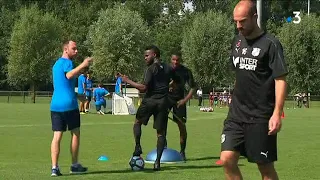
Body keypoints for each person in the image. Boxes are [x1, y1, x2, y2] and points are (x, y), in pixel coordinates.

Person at [219, 1, 288, 180]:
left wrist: (277, 113)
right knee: (227, 160)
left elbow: (280, 79)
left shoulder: (271, 44)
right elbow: (239, 76)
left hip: (260, 117)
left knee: (265, 168)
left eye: (242, 21)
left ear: (254, 17)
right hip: (236, 116)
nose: (238, 26)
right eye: (235, 21)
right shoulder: (237, 42)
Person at [121, 45, 172, 171]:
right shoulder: (167, 68)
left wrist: (127, 80)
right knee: (161, 133)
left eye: (146, 55)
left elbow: (143, 88)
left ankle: (138, 147)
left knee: (137, 122)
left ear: (154, 55)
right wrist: (166, 88)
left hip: (150, 101)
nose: (145, 58)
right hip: (163, 103)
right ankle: (157, 163)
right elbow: (176, 81)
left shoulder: (151, 69)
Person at [50, 40, 92, 177]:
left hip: (55, 105)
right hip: (69, 106)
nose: (76, 51)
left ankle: (54, 168)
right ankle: (74, 165)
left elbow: (63, 86)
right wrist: (84, 64)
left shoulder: (56, 64)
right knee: (75, 133)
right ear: (66, 49)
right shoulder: (68, 63)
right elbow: (69, 75)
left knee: (57, 136)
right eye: (74, 48)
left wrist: (78, 95)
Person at [167, 52, 195, 161]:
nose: (175, 62)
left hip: (179, 101)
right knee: (161, 123)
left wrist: (185, 100)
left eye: (177, 60)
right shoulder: (165, 70)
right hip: (167, 99)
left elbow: (193, 87)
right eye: (173, 60)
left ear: (180, 60)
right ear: (171, 59)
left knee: (182, 126)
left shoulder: (186, 71)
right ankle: (162, 147)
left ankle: (182, 152)